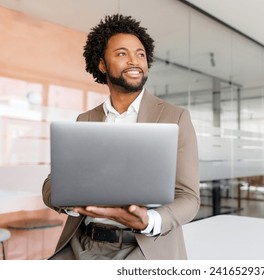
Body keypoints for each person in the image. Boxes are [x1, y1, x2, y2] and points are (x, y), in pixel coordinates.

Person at [42, 14, 200, 260]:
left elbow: (189, 198)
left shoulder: (175, 117)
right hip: (82, 243)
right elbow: (52, 185)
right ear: (102, 65)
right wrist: (71, 202)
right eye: (122, 53)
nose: (135, 61)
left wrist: (149, 219)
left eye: (140, 54)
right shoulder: (85, 120)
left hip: (143, 247)